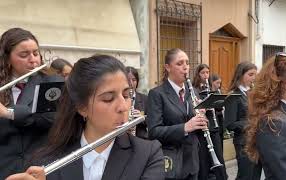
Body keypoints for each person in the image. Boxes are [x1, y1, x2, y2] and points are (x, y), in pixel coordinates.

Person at [6, 55, 165, 180]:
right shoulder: (45, 160)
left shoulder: (148, 155)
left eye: (126, 95)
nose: (124, 106)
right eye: (108, 98)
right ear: (82, 108)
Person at [0, 27, 63, 179]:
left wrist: (9, 113)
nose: (33, 59)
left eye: (35, 53)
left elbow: (50, 118)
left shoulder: (52, 82)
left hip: (38, 168)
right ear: (7, 58)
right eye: (24, 55)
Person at [147, 48, 208, 180]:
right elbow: (153, 132)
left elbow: (195, 126)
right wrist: (185, 127)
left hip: (192, 159)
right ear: (168, 67)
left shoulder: (193, 92)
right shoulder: (157, 94)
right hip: (171, 162)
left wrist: (202, 119)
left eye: (187, 63)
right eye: (180, 64)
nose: (185, 67)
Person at [224, 61, 262, 180]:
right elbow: (229, 124)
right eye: (250, 74)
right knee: (245, 175)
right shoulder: (234, 96)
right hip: (243, 142)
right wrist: (251, 123)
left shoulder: (252, 93)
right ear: (241, 75)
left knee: (255, 175)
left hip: (256, 140)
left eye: (255, 74)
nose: (254, 78)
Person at [192, 65, 227, 180]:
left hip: (214, 127)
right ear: (198, 74)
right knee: (204, 160)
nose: (206, 75)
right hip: (202, 128)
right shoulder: (194, 89)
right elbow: (194, 107)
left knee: (219, 156)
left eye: (207, 72)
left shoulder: (210, 89)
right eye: (203, 73)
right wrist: (203, 105)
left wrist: (217, 105)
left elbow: (217, 108)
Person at [125, 66, 148, 139]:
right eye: (128, 80)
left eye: (134, 80)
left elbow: (152, 121)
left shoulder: (145, 99)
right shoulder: (119, 99)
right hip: (123, 138)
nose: (131, 83)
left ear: (137, 81)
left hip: (141, 139)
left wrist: (142, 117)